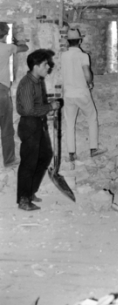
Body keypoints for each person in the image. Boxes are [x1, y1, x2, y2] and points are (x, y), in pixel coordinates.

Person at [16, 49, 61, 211]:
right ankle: (23, 199)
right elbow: (28, 110)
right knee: (29, 162)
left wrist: (50, 104)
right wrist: (50, 106)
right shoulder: (27, 84)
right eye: (45, 64)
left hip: (37, 123)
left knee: (45, 155)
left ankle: (29, 192)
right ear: (35, 66)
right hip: (29, 125)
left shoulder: (37, 81)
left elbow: (36, 103)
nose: (48, 66)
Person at [61, 28, 105, 164]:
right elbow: (87, 74)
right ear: (80, 41)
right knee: (92, 118)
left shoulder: (63, 56)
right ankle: (93, 149)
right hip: (81, 92)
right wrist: (90, 82)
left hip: (68, 93)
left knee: (69, 123)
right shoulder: (83, 56)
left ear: (68, 42)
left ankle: (71, 153)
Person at [0, 22, 28, 168]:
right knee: (6, 128)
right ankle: (9, 160)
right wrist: (17, 41)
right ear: (5, 34)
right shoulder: (7, 47)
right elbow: (25, 48)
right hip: (1, 92)